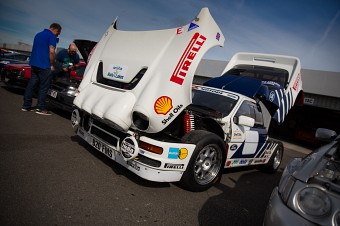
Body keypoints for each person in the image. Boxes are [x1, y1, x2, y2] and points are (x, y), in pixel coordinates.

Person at [22, 23, 62, 115]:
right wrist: (52, 65)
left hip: (34, 64)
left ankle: (26, 106)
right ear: (55, 30)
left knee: (31, 85)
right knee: (44, 87)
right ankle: (40, 108)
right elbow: (52, 52)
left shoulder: (38, 34)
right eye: (58, 33)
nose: (57, 35)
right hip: (44, 65)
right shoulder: (51, 36)